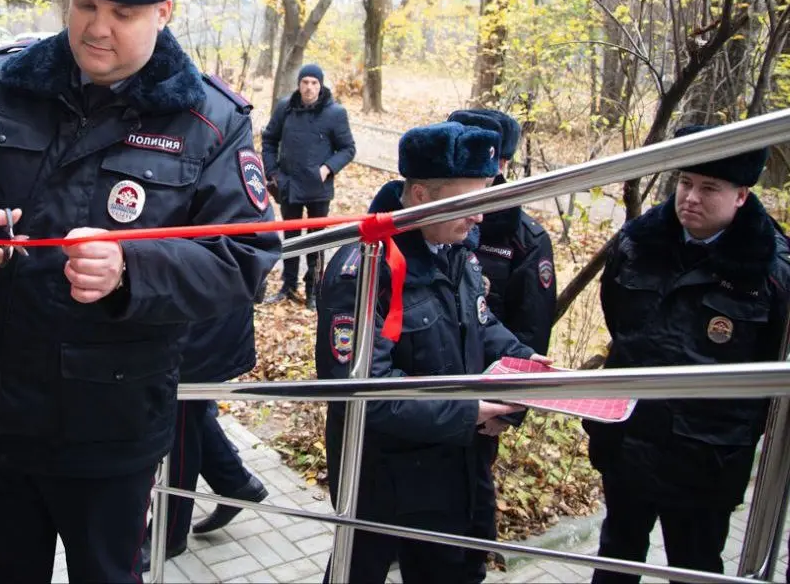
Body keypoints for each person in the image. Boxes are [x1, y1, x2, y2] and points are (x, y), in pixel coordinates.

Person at [0, 0, 281, 583]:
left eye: (122, 13)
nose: (96, 29)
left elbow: (246, 256)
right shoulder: (11, 81)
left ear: (164, 12)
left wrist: (134, 269)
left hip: (115, 432)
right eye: (84, 3)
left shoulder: (210, 122)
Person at [315, 121, 549, 584]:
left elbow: (481, 323)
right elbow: (362, 391)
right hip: (378, 474)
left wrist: (530, 365)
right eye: (470, 200)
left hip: (445, 465)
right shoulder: (364, 267)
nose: (480, 215)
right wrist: (470, 414)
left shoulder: (453, 247)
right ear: (421, 196)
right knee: (355, 571)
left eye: (486, 197)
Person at [585, 125, 790, 584]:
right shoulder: (638, 243)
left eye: (709, 188)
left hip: (706, 460)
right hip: (629, 443)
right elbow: (618, 321)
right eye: (685, 183)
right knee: (616, 556)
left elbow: (774, 372)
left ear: (741, 196)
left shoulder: (771, 271)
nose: (691, 198)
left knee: (695, 569)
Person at [446, 109, 556, 580]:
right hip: (434, 382)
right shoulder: (434, 219)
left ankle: (472, 561)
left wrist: (510, 408)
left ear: (502, 165)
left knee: (473, 486)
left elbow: (531, 331)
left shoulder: (524, 240)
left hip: (485, 391)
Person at [135, 307, 269, 574]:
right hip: (195, 325)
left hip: (196, 331)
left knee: (179, 427)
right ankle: (235, 482)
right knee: (186, 415)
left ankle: (169, 533)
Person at [261, 64, 356, 309]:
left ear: (321, 85)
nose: (309, 87)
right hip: (288, 184)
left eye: (314, 83)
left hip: (318, 188)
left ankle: (313, 289)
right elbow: (269, 139)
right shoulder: (286, 107)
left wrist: (327, 168)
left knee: (316, 239)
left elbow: (347, 148)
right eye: (305, 82)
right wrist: (273, 172)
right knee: (291, 237)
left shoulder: (335, 113)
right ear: (299, 84)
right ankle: (288, 285)